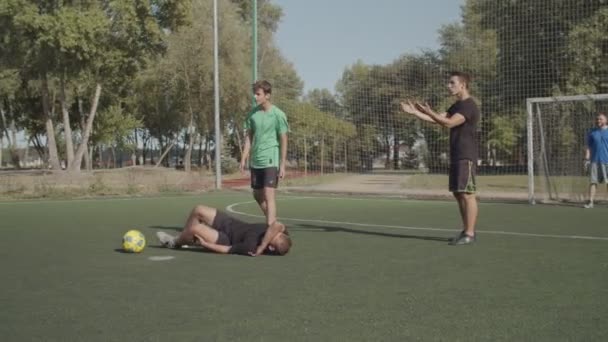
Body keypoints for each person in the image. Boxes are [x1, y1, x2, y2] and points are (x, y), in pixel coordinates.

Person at [400, 71, 480, 245]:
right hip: (456, 154)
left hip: (466, 155)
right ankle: (466, 230)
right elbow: (438, 119)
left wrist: (430, 111)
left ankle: (471, 234)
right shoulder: (456, 106)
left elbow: (449, 123)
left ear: (463, 85)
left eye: (452, 83)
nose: (448, 86)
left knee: (467, 194)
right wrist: (415, 113)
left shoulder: (468, 105)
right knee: (458, 194)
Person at [240, 80, 289, 230]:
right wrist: (243, 157)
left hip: (270, 159)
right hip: (256, 161)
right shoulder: (252, 115)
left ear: (267, 95)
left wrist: (282, 164)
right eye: (254, 94)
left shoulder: (278, 114)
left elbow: (284, 139)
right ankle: (275, 223)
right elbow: (249, 137)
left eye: (258, 94)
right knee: (257, 194)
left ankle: (270, 228)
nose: (255, 97)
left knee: (269, 195)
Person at [156, 205, 292, 256]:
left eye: (273, 236)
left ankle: (175, 242)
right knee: (199, 210)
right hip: (231, 223)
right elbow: (277, 225)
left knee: (194, 229)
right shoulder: (281, 235)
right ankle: (184, 238)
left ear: (272, 248)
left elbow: (227, 250)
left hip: (224, 239)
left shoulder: (250, 247)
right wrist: (263, 246)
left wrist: (205, 244)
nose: (271, 232)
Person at [584, 112, 608, 209]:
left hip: (606, 161)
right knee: (593, 182)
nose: (598, 121)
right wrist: (586, 159)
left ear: (606, 120)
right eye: (597, 119)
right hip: (594, 161)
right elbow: (588, 147)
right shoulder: (592, 132)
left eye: (601, 119)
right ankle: (591, 202)